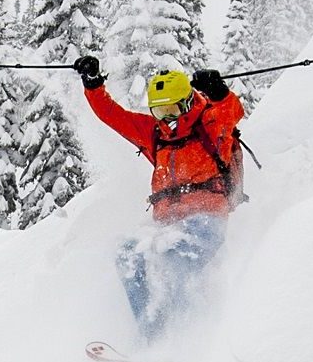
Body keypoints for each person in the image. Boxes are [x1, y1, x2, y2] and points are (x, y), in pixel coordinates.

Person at [72, 55, 247, 343]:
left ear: (188, 103)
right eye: (159, 110)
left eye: (172, 109)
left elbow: (232, 110)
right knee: (129, 253)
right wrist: (93, 86)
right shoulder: (157, 133)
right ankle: (152, 337)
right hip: (167, 224)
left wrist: (218, 91)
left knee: (174, 256)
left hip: (207, 219)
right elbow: (114, 116)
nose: (167, 118)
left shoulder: (210, 123)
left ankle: (182, 339)